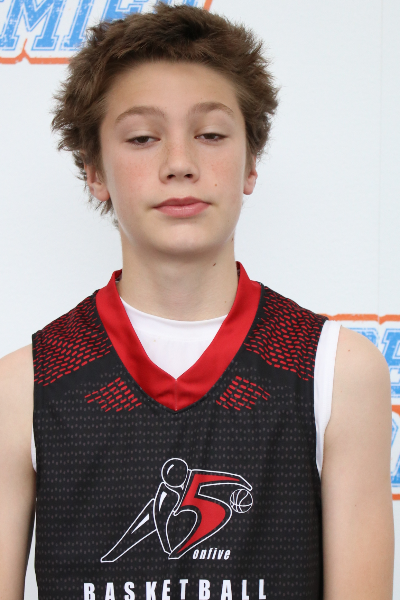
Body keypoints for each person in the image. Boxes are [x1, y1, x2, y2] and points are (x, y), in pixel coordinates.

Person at [0, 4, 394, 600]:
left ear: (251, 162)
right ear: (94, 170)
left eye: (210, 135)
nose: (180, 164)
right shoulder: (26, 386)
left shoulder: (335, 372)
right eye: (142, 138)